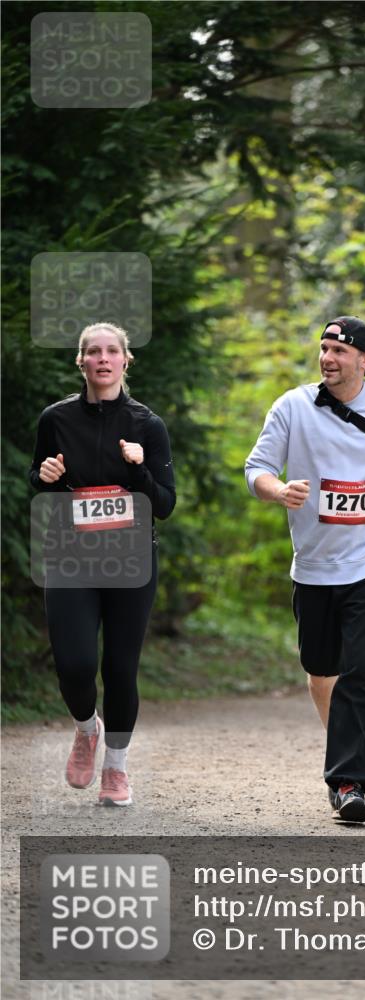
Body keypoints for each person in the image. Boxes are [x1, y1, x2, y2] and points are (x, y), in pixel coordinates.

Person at [245, 316, 365, 822]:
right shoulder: (293, 406)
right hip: (313, 564)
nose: (328, 357)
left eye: (341, 350)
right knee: (322, 671)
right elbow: (257, 468)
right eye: (325, 347)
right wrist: (277, 490)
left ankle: (349, 780)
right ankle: (346, 754)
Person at [29, 322, 176, 806]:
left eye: (112, 351)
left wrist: (139, 468)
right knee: (73, 663)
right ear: (82, 362)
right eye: (94, 352)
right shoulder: (56, 418)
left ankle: (116, 769)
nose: (103, 359)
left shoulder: (147, 425)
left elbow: (165, 503)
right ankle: (85, 728)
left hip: (130, 561)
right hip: (70, 556)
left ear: (126, 361)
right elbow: (41, 482)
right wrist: (46, 475)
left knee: (119, 667)